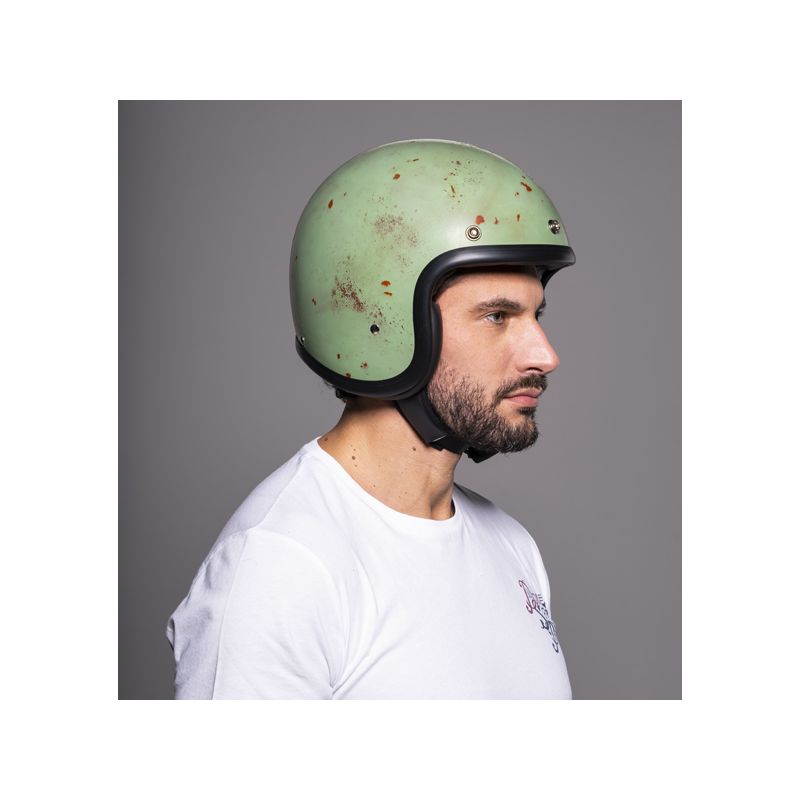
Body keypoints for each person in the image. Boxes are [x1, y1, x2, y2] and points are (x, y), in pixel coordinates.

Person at [166, 139, 576, 699]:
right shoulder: (280, 566)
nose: (544, 355)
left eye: (536, 314)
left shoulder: (512, 547)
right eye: (497, 316)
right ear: (381, 325)